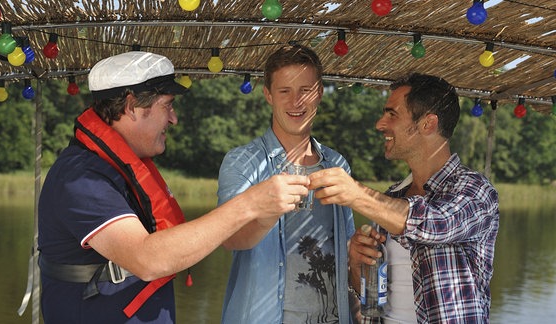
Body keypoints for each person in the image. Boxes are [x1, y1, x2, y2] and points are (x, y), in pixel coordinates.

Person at [37, 51, 310, 323]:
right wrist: (248, 203)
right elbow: (146, 259)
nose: (173, 118)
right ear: (132, 106)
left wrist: (265, 210)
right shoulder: (81, 177)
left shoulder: (118, 168)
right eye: (167, 105)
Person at [309, 73, 500, 323]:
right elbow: (370, 301)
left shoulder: (475, 191)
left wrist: (357, 193)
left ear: (427, 124)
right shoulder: (392, 198)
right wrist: (357, 266)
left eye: (392, 114)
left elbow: (433, 224)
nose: (380, 124)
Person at [216, 44, 356, 324]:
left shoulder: (338, 165)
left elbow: (347, 253)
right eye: (284, 91)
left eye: (305, 90)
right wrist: (270, 211)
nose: (296, 102)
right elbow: (230, 238)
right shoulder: (242, 162)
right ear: (268, 95)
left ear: (318, 93)